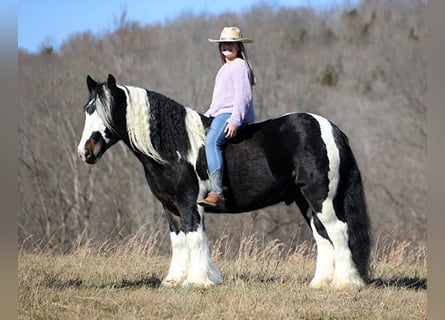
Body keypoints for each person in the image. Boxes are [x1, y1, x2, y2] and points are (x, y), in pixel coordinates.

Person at [198, 26, 256, 208]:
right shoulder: (224, 68)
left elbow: (243, 96)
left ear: (238, 47)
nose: (227, 47)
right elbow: (219, 101)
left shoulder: (239, 66)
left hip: (232, 114)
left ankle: (216, 191)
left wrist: (235, 120)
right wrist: (204, 116)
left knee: (212, 142)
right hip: (221, 112)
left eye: (231, 44)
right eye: (223, 44)